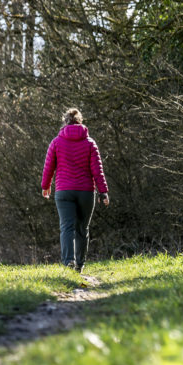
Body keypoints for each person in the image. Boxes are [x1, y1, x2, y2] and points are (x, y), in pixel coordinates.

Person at [40, 107, 109, 271]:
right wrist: (103, 191)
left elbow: (49, 166)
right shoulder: (90, 143)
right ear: (80, 122)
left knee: (66, 227)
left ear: (65, 121)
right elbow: (97, 170)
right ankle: (80, 263)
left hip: (64, 191)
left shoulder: (56, 142)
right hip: (85, 191)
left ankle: (68, 262)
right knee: (82, 228)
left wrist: (45, 186)